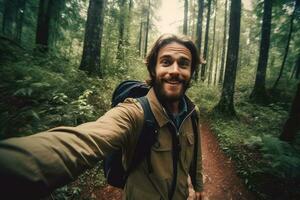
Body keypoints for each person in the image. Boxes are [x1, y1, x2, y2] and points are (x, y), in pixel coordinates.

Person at [0, 34, 203, 200]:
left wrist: (198, 185)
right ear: (153, 69)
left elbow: (196, 155)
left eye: (183, 64)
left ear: (191, 71)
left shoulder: (192, 113)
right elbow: (83, 141)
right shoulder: (135, 113)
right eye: (166, 62)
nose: (175, 71)